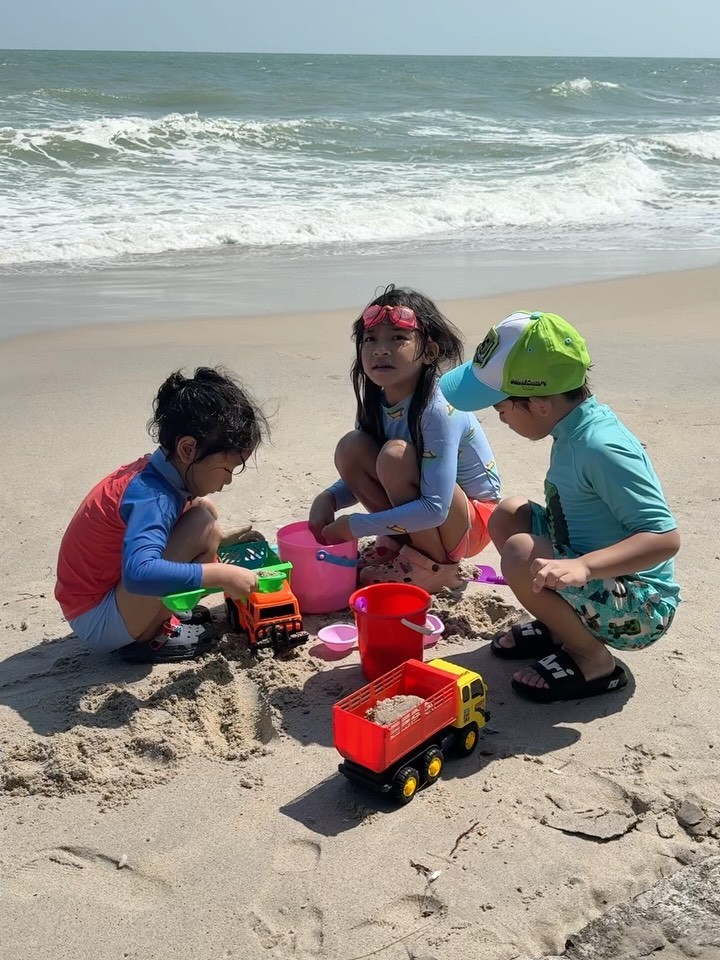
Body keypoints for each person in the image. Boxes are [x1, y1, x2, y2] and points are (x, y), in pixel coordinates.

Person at [439, 310, 681, 702]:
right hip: (596, 573)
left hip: (639, 606)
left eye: (501, 407)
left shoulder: (601, 447)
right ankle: (560, 628)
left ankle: (592, 659)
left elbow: (664, 539)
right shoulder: (572, 428)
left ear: (539, 405)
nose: (500, 417)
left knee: (521, 551)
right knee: (509, 514)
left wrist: (584, 567)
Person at [55, 367, 268, 663]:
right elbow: (139, 574)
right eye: (227, 469)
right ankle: (149, 634)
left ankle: (157, 614)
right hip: (97, 619)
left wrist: (217, 544)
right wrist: (223, 575)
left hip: (95, 601)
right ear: (188, 449)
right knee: (203, 525)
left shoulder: (154, 476)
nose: (228, 480)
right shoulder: (153, 498)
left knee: (204, 511)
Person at [308, 285, 501, 592]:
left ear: (429, 352)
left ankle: (435, 566)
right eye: (370, 339)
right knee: (351, 447)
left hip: (470, 522)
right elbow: (367, 472)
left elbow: (436, 507)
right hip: (434, 513)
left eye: (398, 338)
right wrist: (329, 498)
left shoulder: (438, 408)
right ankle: (401, 546)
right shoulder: (375, 403)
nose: (380, 349)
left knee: (395, 457)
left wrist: (355, 526)